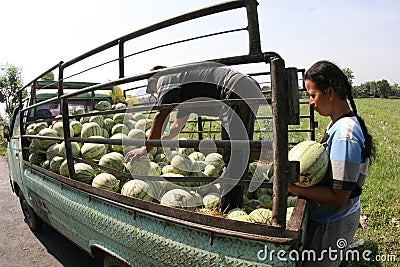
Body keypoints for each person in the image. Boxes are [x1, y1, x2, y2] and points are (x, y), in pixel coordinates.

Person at [125, 63, 264, 210]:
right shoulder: (183, 91)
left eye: (152, 90)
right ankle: (233, 201)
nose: (155, 93)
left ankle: (229, 208)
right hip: (241, 89)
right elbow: (176, 127)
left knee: (236, 152)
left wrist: (145, 149)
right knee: (237, 150)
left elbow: (161, 114)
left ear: (154, 80)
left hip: (236, 88)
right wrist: (160, 140)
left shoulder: (166, 77)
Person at [288, 60, 376, 266]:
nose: (310, 101)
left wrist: (292, 188)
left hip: (333, 221)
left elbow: (339, 196)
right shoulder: (336, 122)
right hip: (331, 217)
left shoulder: (345, 134)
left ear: (329, 92)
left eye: (313, 95)